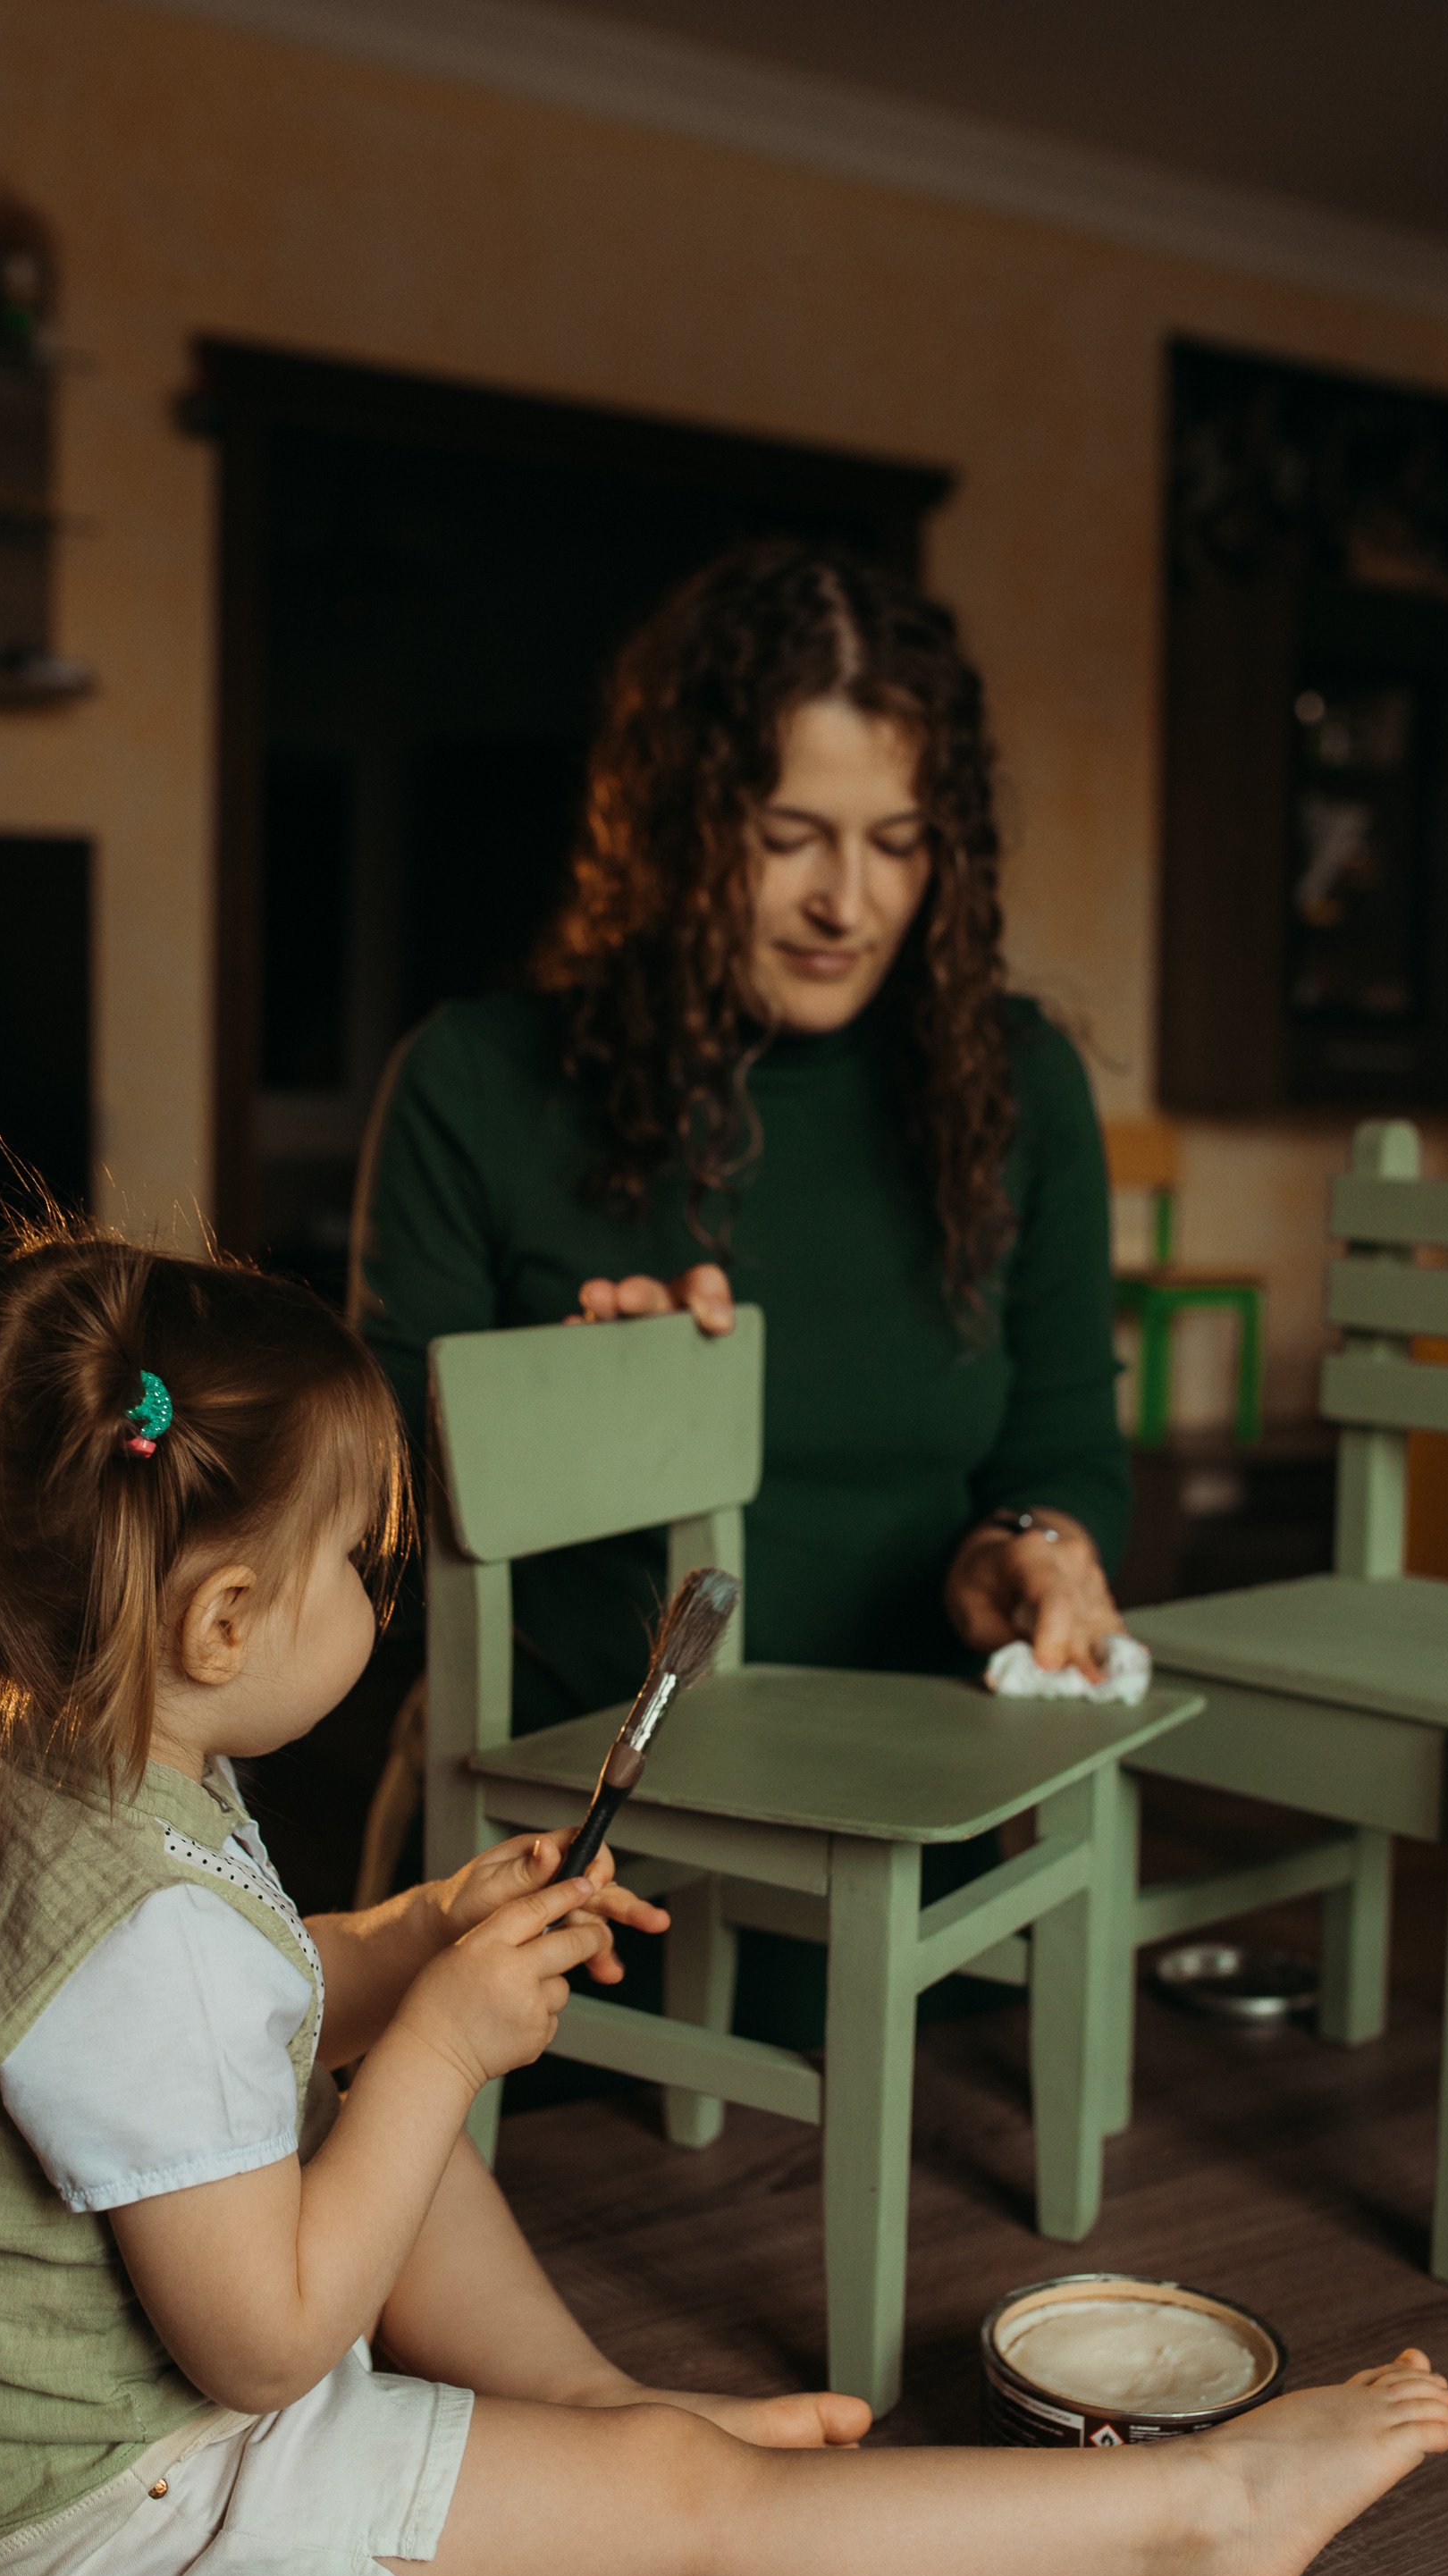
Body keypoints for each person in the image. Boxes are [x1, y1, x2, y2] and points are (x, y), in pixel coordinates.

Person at [0, 1209, 1448, 2576]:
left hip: (75, 2410)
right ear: (221, 1622)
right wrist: (440, 2040)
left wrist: (423, 1936)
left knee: (372, 2118)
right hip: (127, 2517)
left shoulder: (56, 1748)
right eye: (362, 1563)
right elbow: (261, 2348)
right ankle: (1196, 2514)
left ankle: (589, 2420)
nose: (384, 1597)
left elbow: (247, 2007)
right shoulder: (136, 1932)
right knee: (692, 2509)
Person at [356, 542, 1131, 1760]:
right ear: (676, 829)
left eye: (900, 842)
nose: (850, 903)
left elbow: (1065, 1446)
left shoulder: (1020, 1087)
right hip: (564, 1833)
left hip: (914, 1801)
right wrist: (567, 1413)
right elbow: (372, 1512)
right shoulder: (473, 1081)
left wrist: (1031, 1542)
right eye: (789, 836)